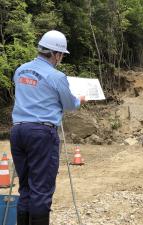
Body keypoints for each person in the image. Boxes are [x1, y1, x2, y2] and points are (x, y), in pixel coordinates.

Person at [10, 30, 85, 225]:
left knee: (25, 188)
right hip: (41, 134)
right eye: (61, 55)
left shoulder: (20, 70)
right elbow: (70, 104)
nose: (60, 59)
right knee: (41, 190)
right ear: (56, 54)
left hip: (18, 131)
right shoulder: (56, 76)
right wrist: (80, 100)